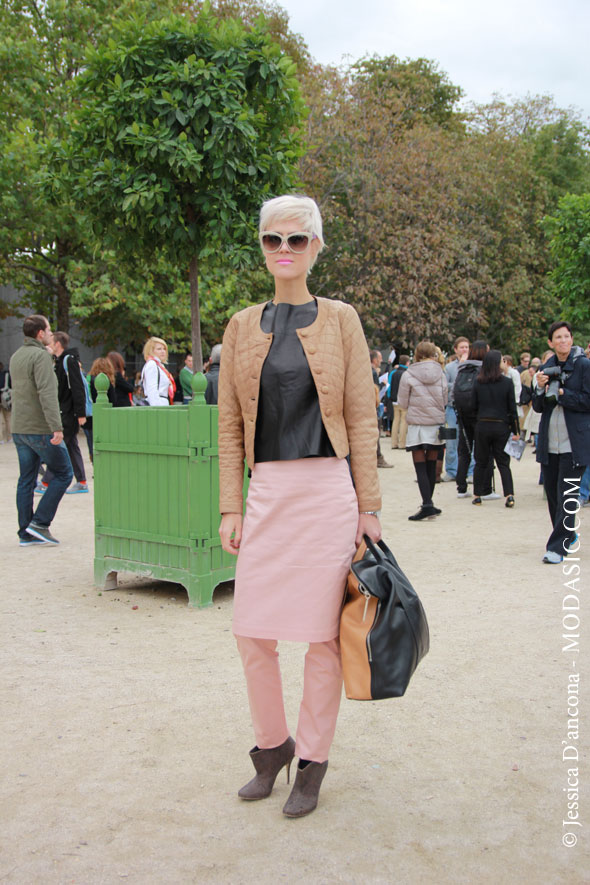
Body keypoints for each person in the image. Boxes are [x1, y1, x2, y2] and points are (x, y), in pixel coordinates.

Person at [218, 194, 381, 818]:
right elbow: (230, 423)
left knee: (320, 639)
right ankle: (272, 745)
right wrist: (232, 505)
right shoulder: (239, 325)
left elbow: (363, 417)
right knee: (252, 631)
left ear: (317, 247)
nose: (283, 250)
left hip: (326, 494)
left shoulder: (342, 318)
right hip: (269, 495)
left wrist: (369, 505)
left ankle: (312, 761)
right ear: (261, 247)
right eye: (272, 239)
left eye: (297, 239)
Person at [9, 315, 73, 545]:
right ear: (40, 334)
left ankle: (26, 533)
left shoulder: (16, 356)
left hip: (19, 427)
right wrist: (56, 427)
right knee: (65, 472)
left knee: (26, 480)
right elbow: (47, 394)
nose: (50, 333)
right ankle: (40, 523)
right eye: (48, 330)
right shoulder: (41, 356)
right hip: (39, 427)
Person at [532, 321, 590, 564]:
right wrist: (538, 387)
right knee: (553, 496)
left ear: (571, 339)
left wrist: (564, 395)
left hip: (573, 443)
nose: (563, 341)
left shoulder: (584, 365)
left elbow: (588, 401)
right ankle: (568, 534)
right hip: (550, 442)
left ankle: (557, 548)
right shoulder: (547, 366)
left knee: (566, 494)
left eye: (567, 336)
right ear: (550, 342)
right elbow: (537, 406)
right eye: (558, 337)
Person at [397, 340, 447, 520]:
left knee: (419, 465)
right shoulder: (440, 373)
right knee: (432, 464)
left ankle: (427, 504)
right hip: (434, 422)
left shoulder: (409, 373)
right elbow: (445, 397)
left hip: (417, 423)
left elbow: (402, 402)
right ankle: (429, 503)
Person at [471, 351, 519, 508]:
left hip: (483, 424)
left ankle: (477, 494)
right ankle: (509, 494)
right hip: (501, 425)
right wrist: (516, 429)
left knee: (481, 461)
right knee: (503, 462)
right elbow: (512, 408)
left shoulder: (478, 382)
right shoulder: (506, 382)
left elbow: (473, 406)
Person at [453, 340, 498, 500]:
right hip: (481, 414)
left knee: (464, 451)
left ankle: (461, 486)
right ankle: (485, 488)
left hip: (463, 414)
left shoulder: (463, 368)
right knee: (485, 452)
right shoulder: (484, 370)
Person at [50, 332, 89, 494]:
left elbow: (78, 387)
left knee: (59, 444)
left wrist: (81, 413)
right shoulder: (61, 361)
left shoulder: (68, 361)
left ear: (58, 343)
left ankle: (46, 482)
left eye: (51, 342)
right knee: (70, 445)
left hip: (69, 412)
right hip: (66, 410)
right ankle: (81, 481)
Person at [442, 336, 469, 480]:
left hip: (468, 410)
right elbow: (445, 386)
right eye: (462, 347)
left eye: (466, 347)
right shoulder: (449, 367)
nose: (464, 349)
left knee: (470, 442)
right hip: (451, 408)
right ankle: (452, 471)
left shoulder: (474, 365)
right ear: (455, 349)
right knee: (451, 441)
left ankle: (470, 472)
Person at [370, 350, 392, 468]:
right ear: (374, 359)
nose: (381, 360)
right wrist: (383, 385)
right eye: (379, 358)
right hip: (375, 406)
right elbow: (375, 389)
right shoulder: (372, 372)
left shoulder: (369, 370)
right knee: (376, 433)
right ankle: (378, 457)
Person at [141, 337, 176, 406]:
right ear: (151, 351)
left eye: (164, 349)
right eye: (159, 349)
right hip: (158, 403)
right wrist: (156, 410)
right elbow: (152, 390)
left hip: (162, 402)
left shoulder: (159, 365)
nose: (163, 351)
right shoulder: (152, 364)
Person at [389, 355, 409, 449]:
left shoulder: (393, 373)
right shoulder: (407, 373)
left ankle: (394, 443)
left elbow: (389, 386)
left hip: (394, 400)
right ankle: (402, 443)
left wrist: (390, 397)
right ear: (407, 363)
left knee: (395, 421)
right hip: (403, 400)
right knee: (403, 421)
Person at [0, 361, 11, 443]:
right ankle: (9, 437)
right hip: (6, 398)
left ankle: (1, 438)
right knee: (8, 418)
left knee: (1, 420)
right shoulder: (6, 375)